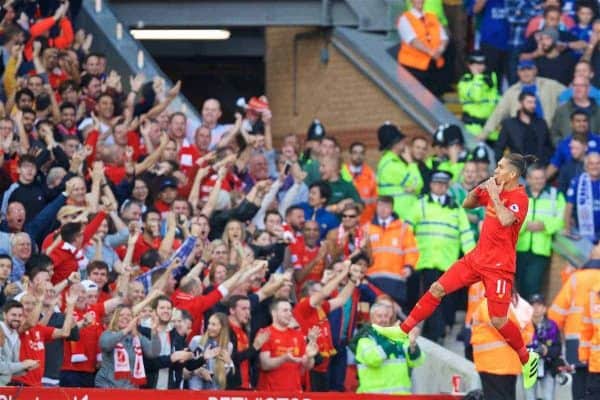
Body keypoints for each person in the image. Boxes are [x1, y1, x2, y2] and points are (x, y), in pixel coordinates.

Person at [399, 153, 541, 390]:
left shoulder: (519, 197)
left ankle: (527, 358)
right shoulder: (495, 187)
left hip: (499, 266)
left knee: (498, 319)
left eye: (500, 167)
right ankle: (402, 331)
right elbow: (467, 204)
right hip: (477, 258)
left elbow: (506, 219)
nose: (495, 171)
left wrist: (494, 195)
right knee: (437, 288)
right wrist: (479, 191)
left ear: (513, 174)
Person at [406, 170, 475, 342]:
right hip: (425, 261)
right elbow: (406, 232)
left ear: (447, 187)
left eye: (444, 184)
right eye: (437, 184)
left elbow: (466, 235)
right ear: (431, 185)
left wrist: (473, 260)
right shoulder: (420, 204)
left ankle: (435, 332)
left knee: (443, 300)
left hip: (447, 262)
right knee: (430, 297)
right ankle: (436, 332)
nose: (440, 187)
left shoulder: (456, 208)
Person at [479, 60, 565, 143]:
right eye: (522, 70)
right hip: (522, 139)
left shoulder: (550, 85)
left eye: (529, 69)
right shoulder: (511, 92)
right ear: (518, 72)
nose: (525, 73)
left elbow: (570, 94)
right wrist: (483, 135)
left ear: (535, 70)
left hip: (548, 135)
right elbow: (497, 114)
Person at [471, 293, 534, 400]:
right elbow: (520, 332)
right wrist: (521, 337)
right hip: (498, 365)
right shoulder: (514, 306)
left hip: (497, 364)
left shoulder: (491, 304)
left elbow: (511, 331)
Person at [516, 164, 565, 300]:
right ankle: (524, 317)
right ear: (528, 179)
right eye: (535, 178)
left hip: (541, 248)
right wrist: (525, 225)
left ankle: (532, 317)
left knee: (533, 284)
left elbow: (561, 220)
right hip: (519, 247)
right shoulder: (518, 194)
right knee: (520, 285)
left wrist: (544, 226)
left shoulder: (555, 195)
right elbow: (510, 217)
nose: (539, 181)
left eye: (542, 178)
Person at [351, 302, 423, 395]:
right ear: (372, 318)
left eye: (386, 316)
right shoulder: (365, 340)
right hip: (374, 397)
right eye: (379, 316)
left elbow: (416, 361)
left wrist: (412, 343)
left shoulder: (398, 337)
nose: (383, 319)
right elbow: (373, 359)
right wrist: (393, 339)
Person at [366, 195, 419, 308]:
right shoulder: (367, 228)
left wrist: (409, 267)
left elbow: (411, 250)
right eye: (380, 205)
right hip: (372, 279)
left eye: (386, 206)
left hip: (396, 279)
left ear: (392, 208)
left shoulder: (403, 229)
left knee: (393, 314)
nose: (383, 209)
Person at [256, 298, 318, 391]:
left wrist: (310, 357)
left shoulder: (298, 335)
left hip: (294, 392)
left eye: (290, 311)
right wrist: (284, 358)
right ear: (274, 313)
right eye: (285, 310)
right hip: (270, 393)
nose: (289, 314)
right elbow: (265, 364)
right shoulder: (265, 333)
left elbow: (305, 368)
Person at [95, 305, 161, 388]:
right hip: (107, 385)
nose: (125, 317)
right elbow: (105, 345)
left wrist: (154, 332)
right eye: (121, 315)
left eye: (129, 315)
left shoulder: (137, 337)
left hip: (130, 388)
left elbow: (153, 353)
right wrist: (126, 330)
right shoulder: (108, 333)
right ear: (115, 318)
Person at [397, 0, 448, 97]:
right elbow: (412, 40)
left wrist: (440, 50)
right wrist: (431, 52)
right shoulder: (405, 18)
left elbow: (444, 38)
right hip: (413, 68)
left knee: (434, 98)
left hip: (433, 66)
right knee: (416, 99)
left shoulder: (432, 17)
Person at [376, 122, 422, 220]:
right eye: (401, 140)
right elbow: (418, 184)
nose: (404, 142)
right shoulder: (393, 165)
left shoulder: (389, 161)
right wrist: (411, 162)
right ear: (395, 143)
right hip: (401, 216)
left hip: (398, 215)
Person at [494, 91, 553, 165]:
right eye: (529, 102)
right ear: (520, 103)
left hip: (539, 168)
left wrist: (545, 164)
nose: (533, 105)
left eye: (534, 102)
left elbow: (549, 147)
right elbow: (499, 148)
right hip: (518, 168)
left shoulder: (541, 123)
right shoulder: (509, 124)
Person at [526, 294, 562, 400]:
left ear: (545, 308)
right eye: (533, 305)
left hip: (547, 365)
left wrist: (547, 351)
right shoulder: (523, 325)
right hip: (528, 366)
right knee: (529, 397)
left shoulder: (552, 326)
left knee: (548, 397)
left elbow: (557, 348)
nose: (536, 308)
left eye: (539, 305)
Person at [458, 51, 499, 141]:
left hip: (490, 130)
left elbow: (496, 100)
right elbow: (476, 97)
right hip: (473, 129)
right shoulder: (464, 81)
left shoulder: (489, 79)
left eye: (482, 64)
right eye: (476, 64)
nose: (480, 67)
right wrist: (477, 77)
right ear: (470, 65)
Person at [188, 312, 234, 390]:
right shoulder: (197, 340)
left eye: (213, 324)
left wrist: (229, 363)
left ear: (222, 327)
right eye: (209, 323)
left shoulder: (228, 346)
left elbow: (225, 375)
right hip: (195, 390)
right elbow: (186, 368)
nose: (209, 327)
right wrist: (199, 371)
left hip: (214, 390)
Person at [0, 300, 40, 385]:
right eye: (13, 315)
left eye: (20, 315)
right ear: (4, 315)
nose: (17, 318)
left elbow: (11, 369)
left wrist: (27, 368)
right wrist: (23, 365)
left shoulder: (16, 337)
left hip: (4, 388)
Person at [551, 76, 600, 145]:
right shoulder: (561, 110)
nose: (578, 88)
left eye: (582, 85)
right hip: (567, 153)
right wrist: (564, 147)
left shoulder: (598, 111)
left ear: (589, 88)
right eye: (575, 85)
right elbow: (554, 133)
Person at [564, 152, 600, 243]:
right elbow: (568, 207)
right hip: (583, 233)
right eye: (591, 163)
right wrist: (567, 228)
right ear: (586, 166)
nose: (595, 166)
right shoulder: (577, 182)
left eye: (598, 163)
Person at [341, 142, 378, 225]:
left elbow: (376, 198)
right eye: (355, 153)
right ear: (350, 154)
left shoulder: (371, 174)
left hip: (366, 220)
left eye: (361, 153)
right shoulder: (342, 172)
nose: (358, 156)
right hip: (346, 220)